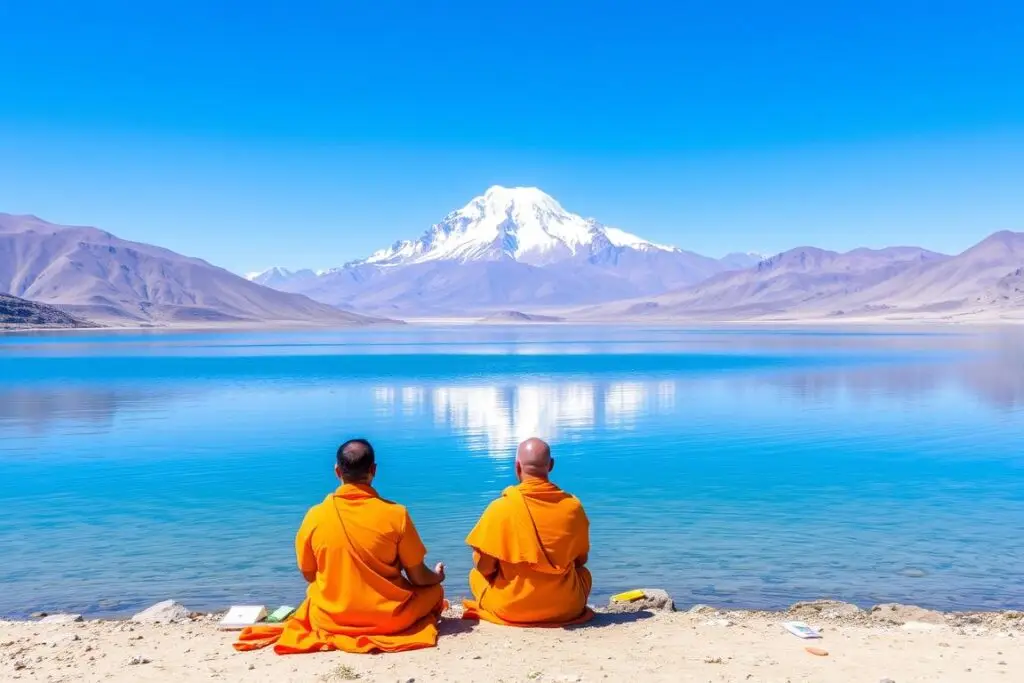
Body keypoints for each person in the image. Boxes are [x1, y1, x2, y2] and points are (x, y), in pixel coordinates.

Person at [235, 439, 446, 654]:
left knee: (314, 596)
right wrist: (437, 577)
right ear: (373, 470)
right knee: (435, 592)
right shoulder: (396, 514)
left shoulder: (315, 516)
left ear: (337, 471)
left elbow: (309, 575)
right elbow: (418, 577)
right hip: (390, 619)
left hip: (331, 618)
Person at [462, 437, 593, 626]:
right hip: (566, 607)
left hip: (512, 609)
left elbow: (485, 568)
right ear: (551, 466)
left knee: (475, 575)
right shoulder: (573, 507)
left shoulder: (500, 508)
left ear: (517, 467)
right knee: (584, 574)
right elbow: (581, 561)